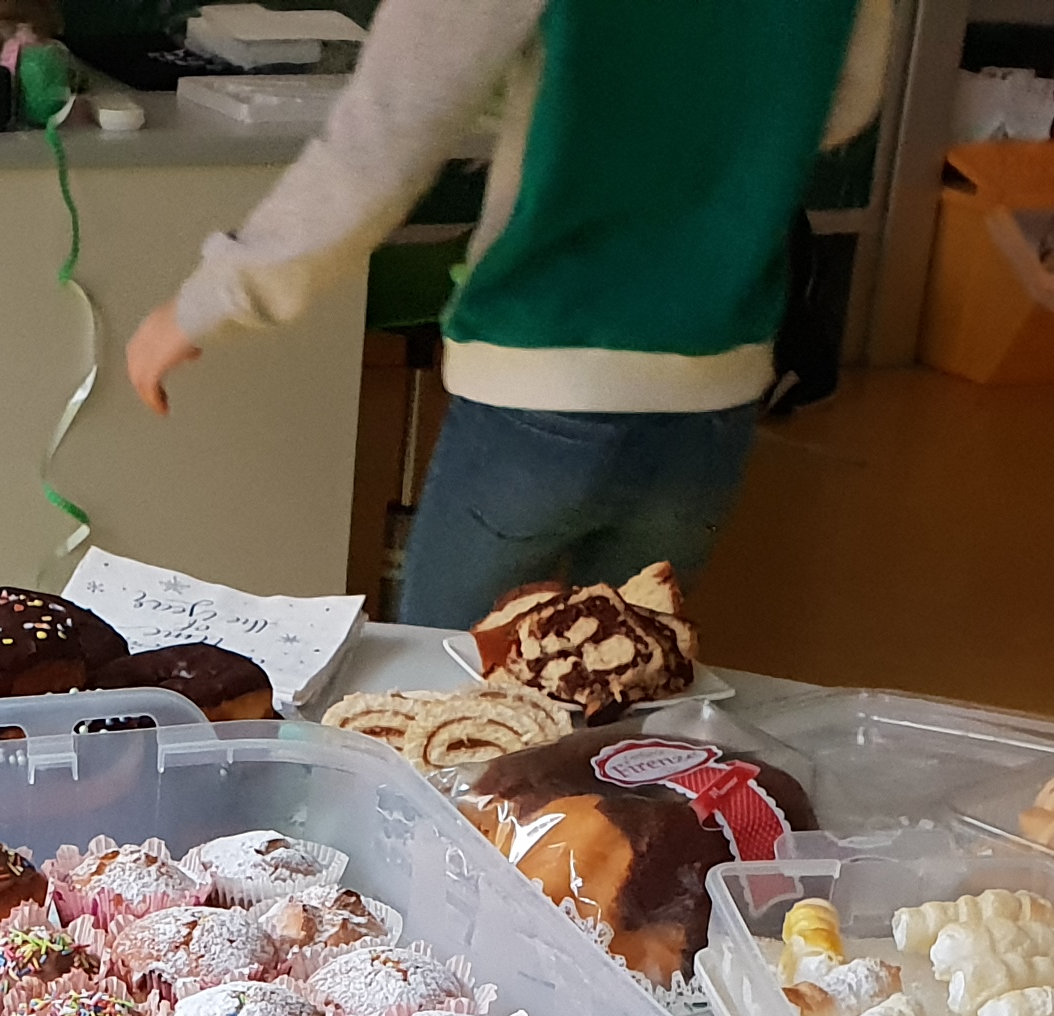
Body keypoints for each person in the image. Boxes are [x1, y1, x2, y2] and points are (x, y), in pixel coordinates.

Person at [130, 0, 893, 630]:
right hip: (716, 383)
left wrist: (211, 300)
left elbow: (386, 137)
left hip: (538, 371)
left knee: (444, 700)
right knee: (621, 704)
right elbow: (843, 103)